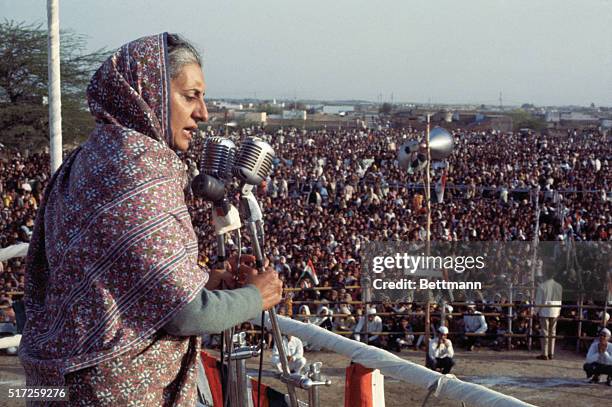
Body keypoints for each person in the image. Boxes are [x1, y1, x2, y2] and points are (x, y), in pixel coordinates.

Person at [19, 33, 283, 406]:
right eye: (190, 96)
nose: (203, 113)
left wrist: (203, 280)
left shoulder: (88, 158)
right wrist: (257, 296)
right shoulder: (142, 168)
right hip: (113, 389)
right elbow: (187, 313)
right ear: (150, 93)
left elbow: (108, 276)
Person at [535, 272, 563, 360]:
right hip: (555, 310)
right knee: (553, 332)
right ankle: (551, 353)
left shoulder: (542, 286)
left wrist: (535, 311)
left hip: (545, 311)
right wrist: (558, 311)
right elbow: (560, 301)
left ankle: (545, 354)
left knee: (544, 332)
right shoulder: (559, 286)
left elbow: (539, 302)